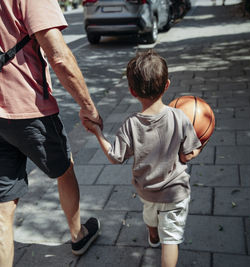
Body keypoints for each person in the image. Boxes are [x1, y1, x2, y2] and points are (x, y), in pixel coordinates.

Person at [0, 0, 102, 266]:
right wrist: (88, 108)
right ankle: (77, 235)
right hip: (27, 105)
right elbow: (58, 55)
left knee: (3, 202)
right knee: (63, 168)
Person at [83, 50, 204, 267]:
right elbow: (188, 154)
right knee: (172, 240)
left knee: (151, 217)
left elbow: (115, 157)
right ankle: (162, 241)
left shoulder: (130, 124)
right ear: (167, 85)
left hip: (147, 191)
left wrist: (98, 133)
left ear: (132, 91)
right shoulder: (180, 117)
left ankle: (154, 237)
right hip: (175, 192)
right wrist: (198, 149)